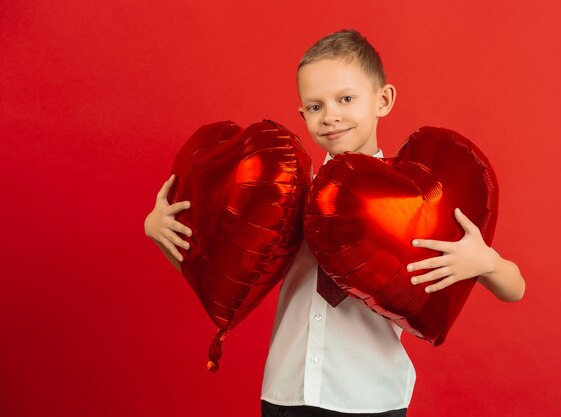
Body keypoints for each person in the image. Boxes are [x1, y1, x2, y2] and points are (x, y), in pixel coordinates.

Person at [144, 29, 525, 417]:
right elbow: (224, 277)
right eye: (315, 106)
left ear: (383, 100)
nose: (331, 116)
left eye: (345, 99)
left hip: (371, 399)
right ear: (302, 114)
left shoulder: (422, 205)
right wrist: (157, 234)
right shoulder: (283, 195)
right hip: (286, 392)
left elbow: (515, 288)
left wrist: (486, 262)